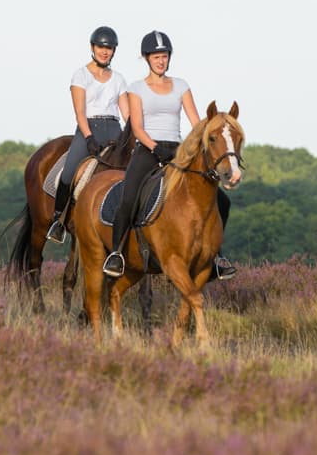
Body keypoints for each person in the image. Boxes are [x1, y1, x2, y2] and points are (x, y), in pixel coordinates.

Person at [102, 30, 236, 280]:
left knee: (222, 201)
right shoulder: (136, 88)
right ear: (146, 58)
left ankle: (216, 256)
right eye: (156, 57)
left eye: (164, 56)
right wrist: (155, 148)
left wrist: (205, 138)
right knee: (129, 198)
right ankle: (117, 254)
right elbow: (137, 128)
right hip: (148, 150)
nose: (161, 61)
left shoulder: (181, 86)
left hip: (178, 150)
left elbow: (197, 122)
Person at [45, 26, 130, 244]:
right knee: (68, 173)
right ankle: (58, 221)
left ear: (114, 51)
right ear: (93, 47)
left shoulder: (119, 79)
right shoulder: (80, 75)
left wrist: (134, 133)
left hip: (115, 130)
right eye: (101, 47)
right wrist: (89, 137)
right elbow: (80, 113)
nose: (105, 51)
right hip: (89, 127)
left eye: (109, 48)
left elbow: (127, 114)